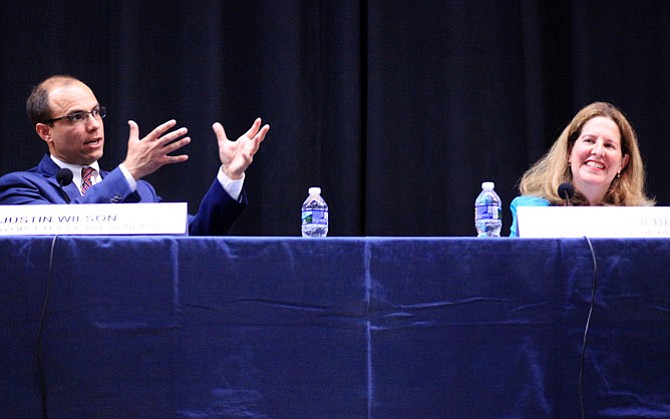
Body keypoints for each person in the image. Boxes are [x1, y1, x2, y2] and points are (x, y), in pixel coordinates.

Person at [0, 75, 270, 235]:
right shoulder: (20, 188)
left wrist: (230, 175)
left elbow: (198, 235)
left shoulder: (140, 191)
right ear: (45, 132)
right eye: (76, 117)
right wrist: (127, 173)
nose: (94, 124)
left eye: (96, 112)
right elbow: (66, 232)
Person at [509, 101, 654, 237]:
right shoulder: (531, 211)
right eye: (589, 140)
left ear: (622, 163)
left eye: (609, 145)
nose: (598, 151)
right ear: (570, 152)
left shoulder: (640, 221)